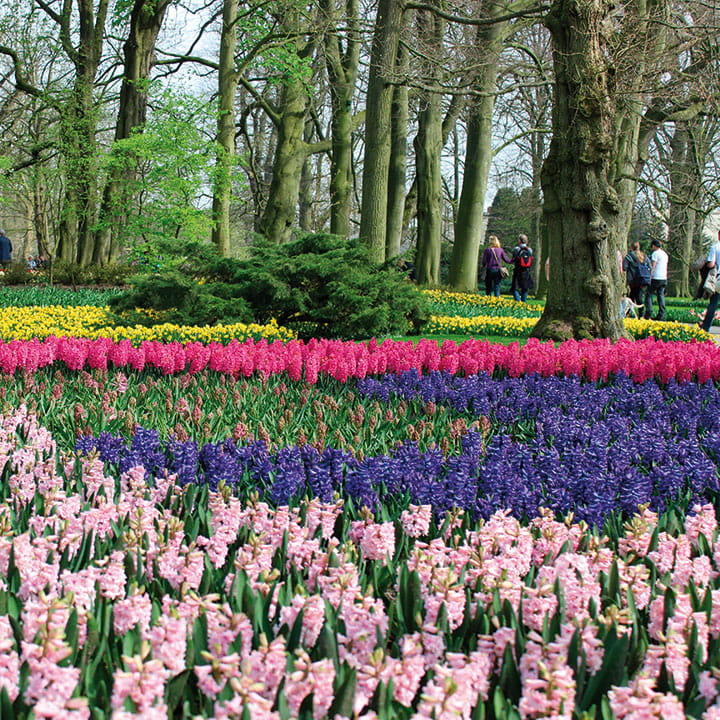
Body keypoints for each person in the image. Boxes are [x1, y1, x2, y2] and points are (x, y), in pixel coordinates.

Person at [700, 230, 720, 332]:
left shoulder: (715, 247)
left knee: (713, 304)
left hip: (718, 280)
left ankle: (706, 326)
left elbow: (711, 264)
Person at [643, 238, 668, 321]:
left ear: (654, 246)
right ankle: (661, 314)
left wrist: (650, 275)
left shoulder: (655, 254)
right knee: (660, 295)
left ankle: (648, 312)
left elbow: (653, 265)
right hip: (663, 277)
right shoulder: (665, 254)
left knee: (648, 294)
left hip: (656, 277)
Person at [510, 234, 534, 302]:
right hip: (526, 271)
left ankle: (518, 301)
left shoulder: (516, 249)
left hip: (518, 270)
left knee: (515, 287)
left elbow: (513, 259)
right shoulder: (529, 250)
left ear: (520, 241)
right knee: (525, 287)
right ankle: (524, 302)